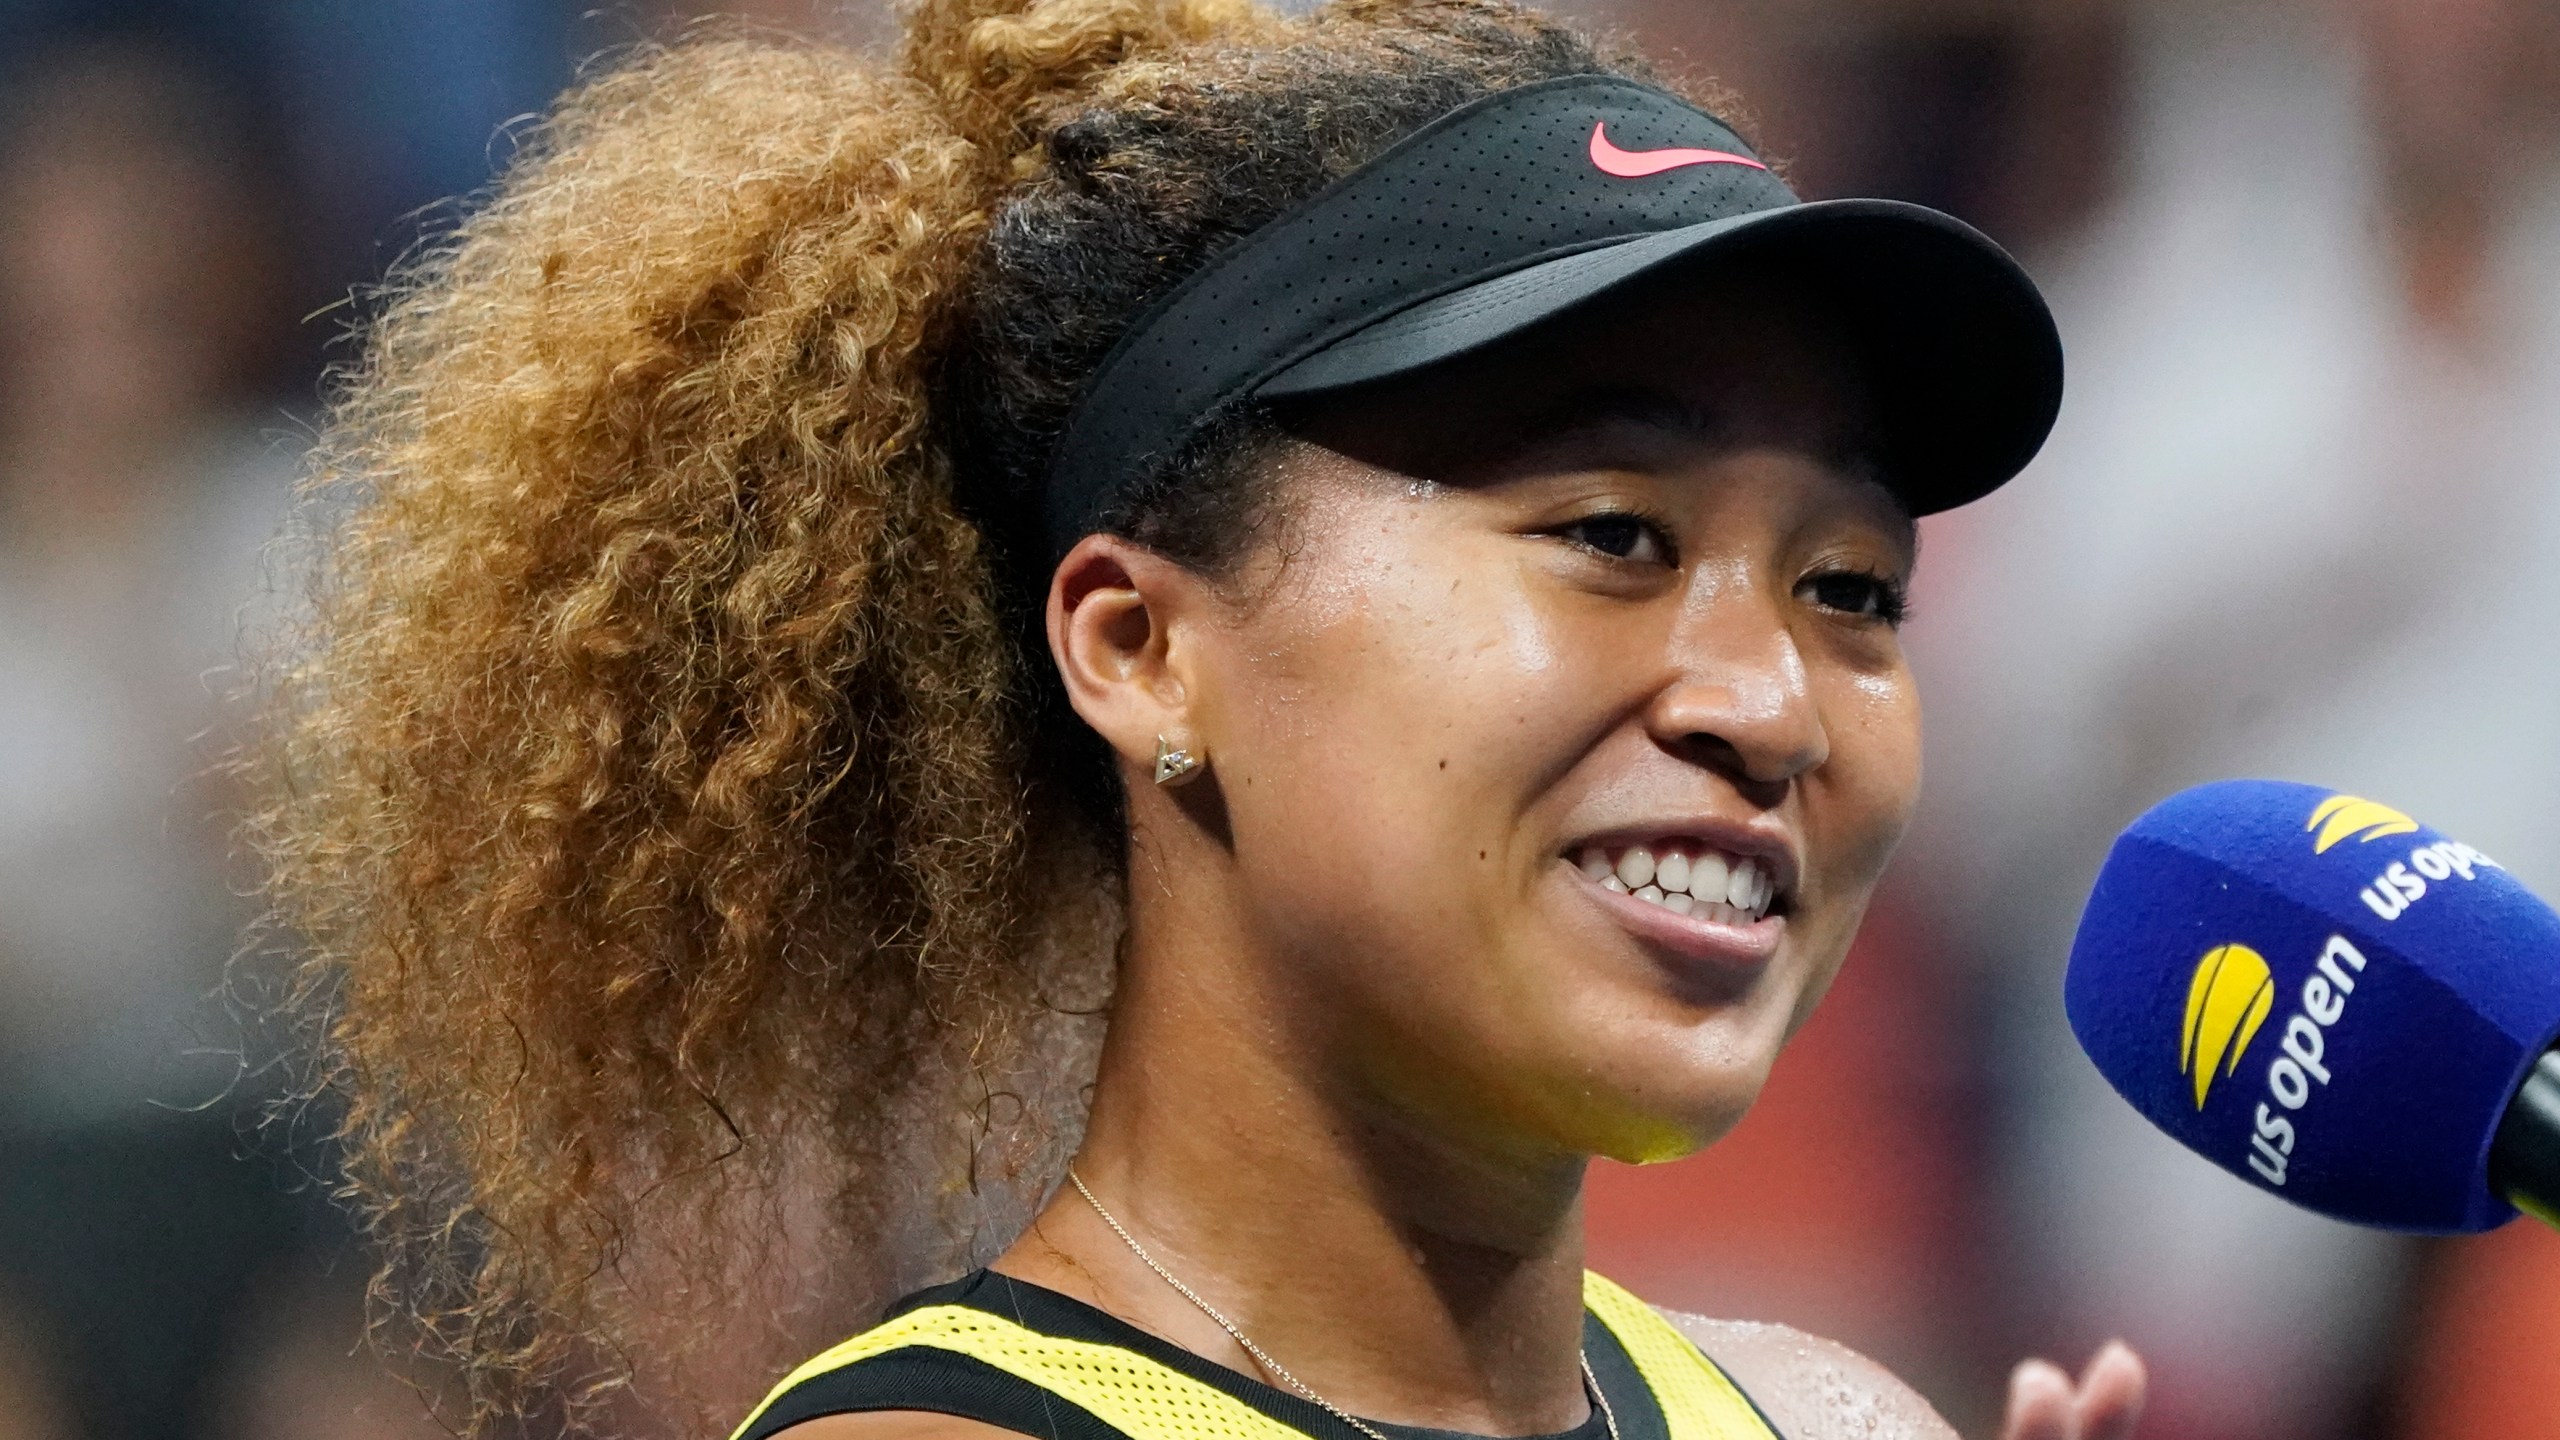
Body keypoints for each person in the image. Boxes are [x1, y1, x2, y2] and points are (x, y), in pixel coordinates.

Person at [247, 1, 2148, 1438]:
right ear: (1142, 648)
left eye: (1851, 592)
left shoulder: (1828, 1420)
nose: (1769, 701)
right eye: (1613, 536)